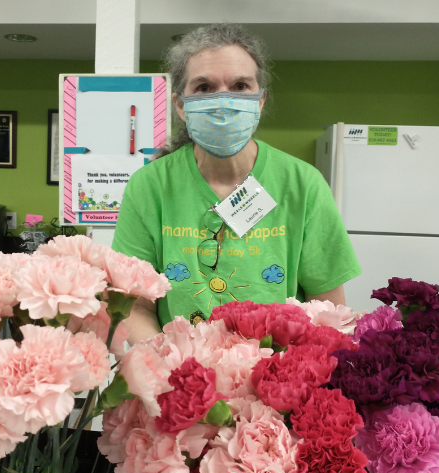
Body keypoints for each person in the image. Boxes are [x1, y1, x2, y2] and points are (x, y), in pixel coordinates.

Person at [112, 23, 361, 344]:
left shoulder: (302, 184)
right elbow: (135, 306)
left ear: (260, 101)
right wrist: (166, 367)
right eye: (204, 87)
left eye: (240, 85)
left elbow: (330, 312)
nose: (223, 100)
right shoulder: (150, 186)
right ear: (179, 105)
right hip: (180, 381)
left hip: (277, 382)